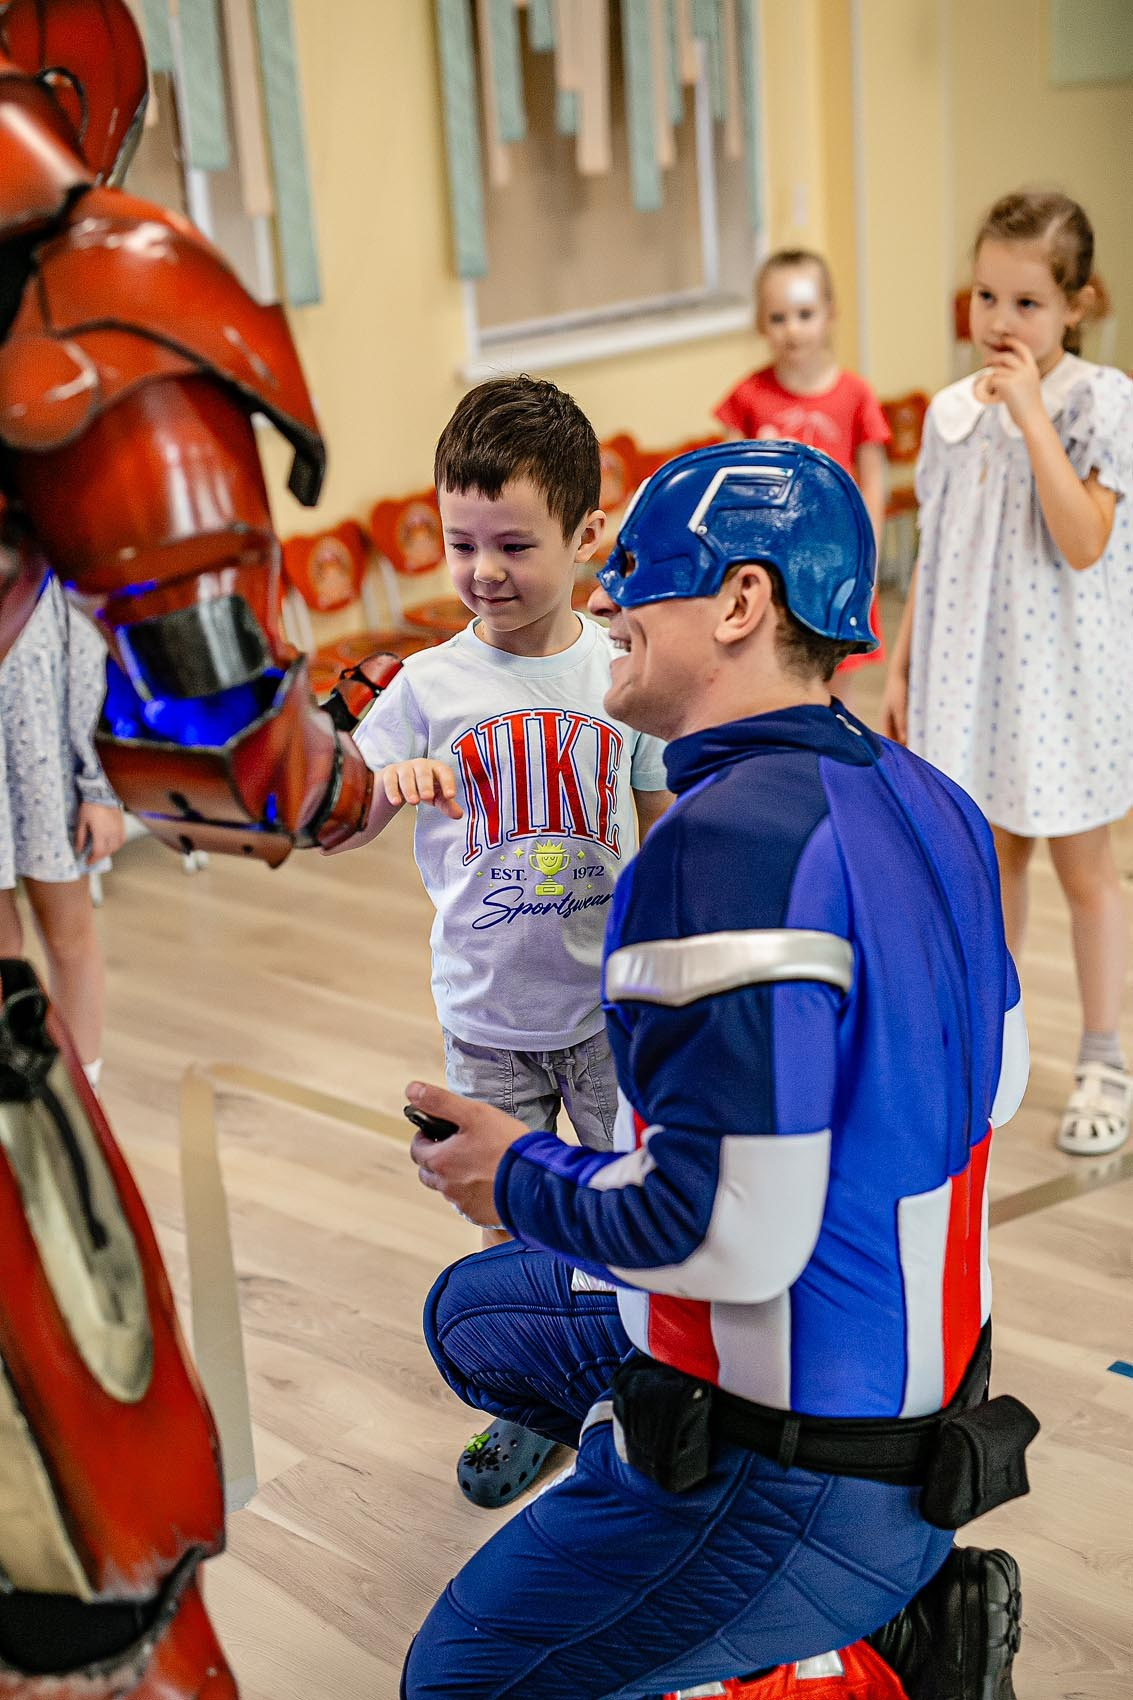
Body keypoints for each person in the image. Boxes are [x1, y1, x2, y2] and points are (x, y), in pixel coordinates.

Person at [399, 441, 1034, 1700]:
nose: (599, 602)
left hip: (803, 1471)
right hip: (920, 1398)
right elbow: (998, 1081)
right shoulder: (931, 797)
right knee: (476, 1316)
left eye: (632, 571)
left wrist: (507, 1169)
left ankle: (834, 1645)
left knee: (455, 1682)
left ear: (740, 601)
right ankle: (807, 1601)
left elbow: (720, 1234)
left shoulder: (716, 849)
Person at [341, 375, 671, 1505]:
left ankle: (641, 1382)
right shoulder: (426, 686)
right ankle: (526, 1400)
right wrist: (385, 785)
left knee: (629, 1198)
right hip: (485, 1017)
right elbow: (335, 823)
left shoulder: (618, 669)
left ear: (586, 534)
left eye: (513, 545)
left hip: (605, 1012)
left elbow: (664, 827)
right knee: (507, 1216)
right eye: (459, 541)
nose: (483, 571)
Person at [883, 190, 1133, 1158]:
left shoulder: (1103, 401)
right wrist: (900, 665)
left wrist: (1032, 414)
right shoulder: (947, 414)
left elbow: (1080, 541)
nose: (998, 321)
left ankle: (1104, 1055)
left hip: (1064, 684)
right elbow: (934, 555)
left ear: (1075, 303)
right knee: (988, 866)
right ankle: (992, 1042)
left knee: (1085, 870)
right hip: (966, 682)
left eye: (1026, 302)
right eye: (985, 295)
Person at [713, 248, 891, 694]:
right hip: (773, 565)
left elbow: (874, 482)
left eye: (805, 313)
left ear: (830, 314)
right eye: (778, 317)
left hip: (837, 563)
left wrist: (866, 555)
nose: (792, 329)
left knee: (834, 681)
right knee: (774, 673)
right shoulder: (748, 396)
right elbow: (728, 482)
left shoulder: (855, 394)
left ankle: (836, 760)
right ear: (760, 323)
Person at [0, 577, 125, 1089]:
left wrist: (99, 788)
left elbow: (90, 665)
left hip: (47, 777)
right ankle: (17, 1104)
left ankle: (83, 1092)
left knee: (70, 939)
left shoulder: (41, 558)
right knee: (3, 951)